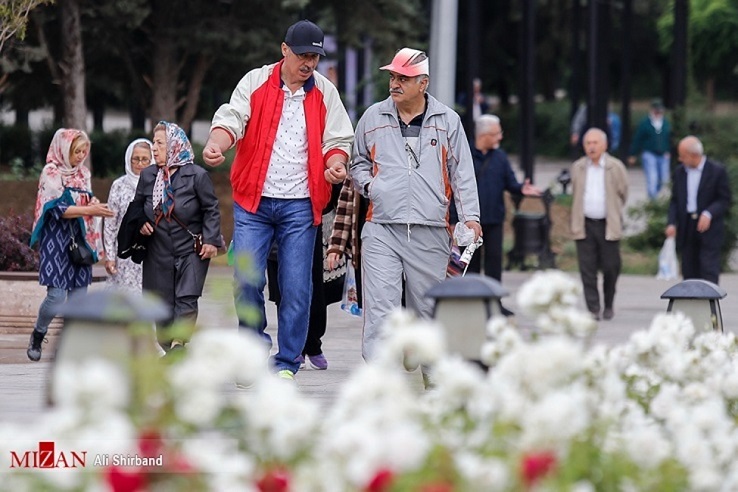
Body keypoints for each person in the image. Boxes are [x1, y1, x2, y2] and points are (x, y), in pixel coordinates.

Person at [202, 20, 353, 380]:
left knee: (297, 286)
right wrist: (216, 143)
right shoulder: (255, 81)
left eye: (315, 57)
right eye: (303, 55)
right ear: (284, 50)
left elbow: (338, 139)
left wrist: (336, 164)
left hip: (301, 204)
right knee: (247, 280)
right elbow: (233, 116)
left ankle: (287, 360)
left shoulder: (325, 92)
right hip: (253, 203)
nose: (309, 63)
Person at [349, 47, 482, 360]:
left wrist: (471, 217)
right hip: (381, 227)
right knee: (381, 310)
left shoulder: (448, 121)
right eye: (393, 76)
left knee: (430, 310)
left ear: (423, 83)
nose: (394, 83)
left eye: (403, 78)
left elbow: (462, 172)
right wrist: (372, 187)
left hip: (431, 230)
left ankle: (434, 377)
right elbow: (358, 163)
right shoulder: (372, 117)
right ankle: (381, 380)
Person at [133, 121, 222, 353]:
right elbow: (137, 207)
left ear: (174, 145)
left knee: (187, 297)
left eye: (160, 143)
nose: (154, 148)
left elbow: (210, 208)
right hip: (158, 251)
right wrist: (141, 223)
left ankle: (178, 344)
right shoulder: (148, 175)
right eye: (154, 143)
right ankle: (170, 346)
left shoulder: (196, 175)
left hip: (190, 249)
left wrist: (211, 240)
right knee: (160, 304)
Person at [27, 129, 114, 361]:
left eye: (85, 151)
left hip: (80, 238)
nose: (81, 155)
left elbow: (85, 198)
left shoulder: (83, 173)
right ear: (64, 149)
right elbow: (55, 209)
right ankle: (39, 332)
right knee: (56, 297)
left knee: (77, 298)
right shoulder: (51, 172)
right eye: (77, 151)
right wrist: (89, 209)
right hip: (56, 239)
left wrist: (94, 203)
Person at [266, 184, 345, 370]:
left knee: (313, 291)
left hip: (310, 222)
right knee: (283, 294)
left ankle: (313, 344)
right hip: (273, 224)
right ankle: (294, 348)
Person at [463, 114, 541, 286]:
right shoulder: (464, 155)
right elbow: (455, 188)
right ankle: (471, 303)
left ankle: (494, 302)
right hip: (469, 223)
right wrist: (454, 220)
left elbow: (510, 183)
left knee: (494, 263)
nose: (500, 137)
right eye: (497, 133)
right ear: (484, 135)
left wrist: (521, 188)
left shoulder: (500, 157)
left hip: (494, 220)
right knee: (470, 265)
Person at [570, 128, 629, 321]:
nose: (592, 147)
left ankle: (609, 304)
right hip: (585, 223)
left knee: (611, 266)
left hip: (607, 224)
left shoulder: (615, 166)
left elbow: (623, 192)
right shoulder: (578, 167)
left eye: (595, 143)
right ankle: (593, 308)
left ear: (604, 145)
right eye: (588, 143)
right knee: (587, 268)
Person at [666, 136, 732, 284]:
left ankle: (709, 303)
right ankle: (690, 303)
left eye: (683, 156)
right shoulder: (679, 172)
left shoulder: (716, 171)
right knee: (689, 268)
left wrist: (709, 213)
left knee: (708, 267)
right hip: (687, 224)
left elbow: (724, 199)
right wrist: (671, 223)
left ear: (694, 155)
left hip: (708, 227)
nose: (680, 160)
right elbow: (675, 200)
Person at [103, 138, 154, 291]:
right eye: (135, 159)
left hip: (151, 253)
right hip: (125, 254)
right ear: (128, 160)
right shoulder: (119, 186)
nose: (140, 164)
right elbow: (111, 224)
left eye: (145, 159)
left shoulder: (158, 185)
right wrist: (110, 256)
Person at [628, 99, 671, 200]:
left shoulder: (665, 123)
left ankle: (655, 194)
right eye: (656, 111)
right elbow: (637, 139)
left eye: (660, 111)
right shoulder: (645, 123)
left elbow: (669, 139)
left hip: (663, 154)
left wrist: (668, 151)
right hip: (649, 153)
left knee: (663, 179)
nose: (658, 113)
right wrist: (632, 154)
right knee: (652, 177)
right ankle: (652, 199)